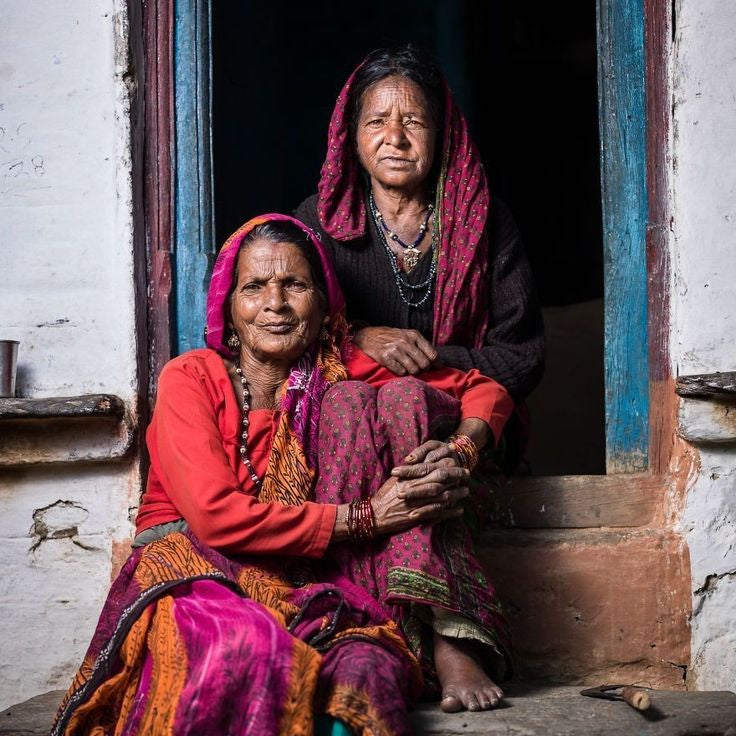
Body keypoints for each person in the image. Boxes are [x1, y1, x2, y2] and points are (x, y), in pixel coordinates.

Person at [52, 214, 513, 736]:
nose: (274, 303)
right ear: (229, 306)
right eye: (254, 287)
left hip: (304, 579)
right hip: (193, 568)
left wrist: (462, 449)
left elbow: (484, 390)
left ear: (322, 303)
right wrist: (366, 517)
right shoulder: (191, 379)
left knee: (370, 671)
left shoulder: (336, 370)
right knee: (247, 652)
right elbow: (215, 517)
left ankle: (432, 643)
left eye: (294, 284)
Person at [296, 46, 544, 468]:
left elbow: (522, 359)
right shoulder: (317, 222)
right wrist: (359, 338)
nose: (395, 138)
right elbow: (285, 341)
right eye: (376, 121)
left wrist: (428, 358)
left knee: (406, 397)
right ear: (352, 135)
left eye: (413, 121)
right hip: (347, 434)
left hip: (466, 424)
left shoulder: (485, 222)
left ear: (441, 133)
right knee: (362, 402)